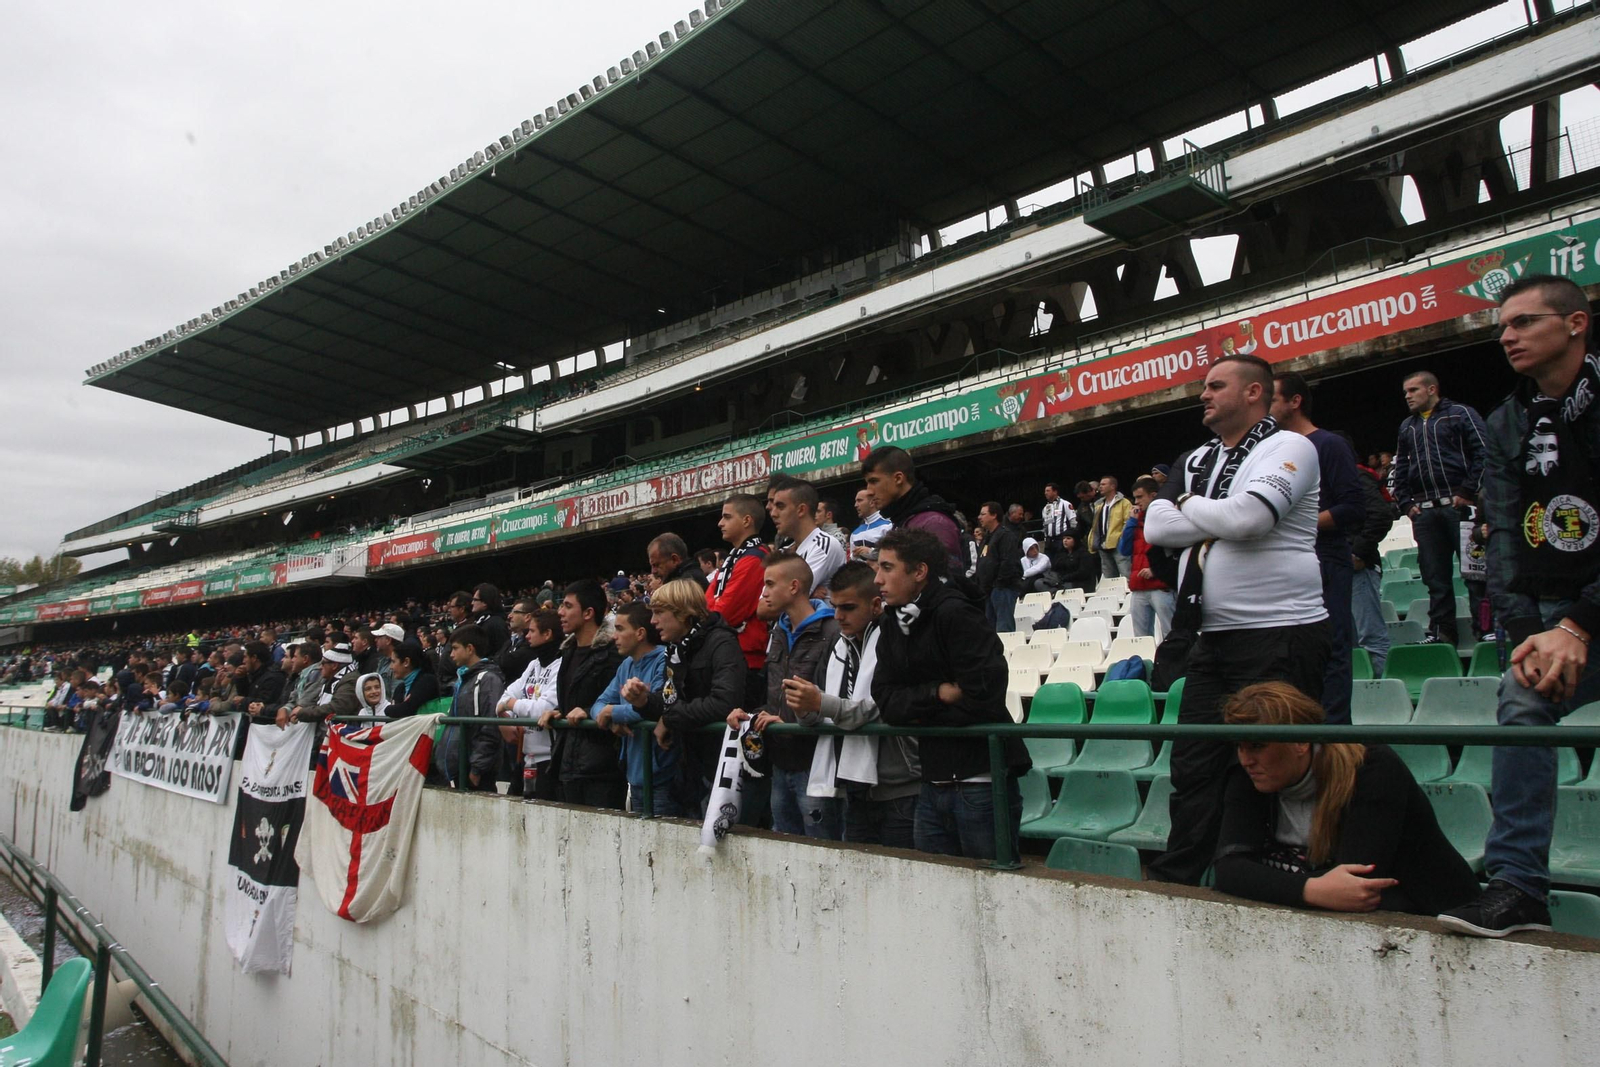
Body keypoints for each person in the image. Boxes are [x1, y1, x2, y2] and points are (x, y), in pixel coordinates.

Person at [1439, 275, 1600, 938]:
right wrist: (1533, 631)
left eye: (1526, 321)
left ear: (1576, 324)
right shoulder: (1507, 419)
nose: (1508, 336)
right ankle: (1517, 886)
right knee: (1521, 692)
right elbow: (1503, 536)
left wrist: (1577, 623)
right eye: (1503, 326)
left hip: (1584, 614)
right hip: (1554, 619)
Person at [1143, 354, 1330, 885]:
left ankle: (1272, 871)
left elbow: (1250, 518)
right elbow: (1157, 528)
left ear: (1253, 393)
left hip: (1282, 632)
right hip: (1213, 639)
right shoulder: (1198, 457)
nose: (1203, 394)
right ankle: (1180, 875)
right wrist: (1204, 509)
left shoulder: (1290, 447)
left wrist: (1184, 500)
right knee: (1194, 763)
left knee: (1276, 765)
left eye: (1215, 385)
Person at [1214, 682, 1479, 915]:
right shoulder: (1250, 776)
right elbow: (1228, 869)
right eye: (1240, 746)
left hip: (1432, 923)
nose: (1246, 759)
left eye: (1258, 746)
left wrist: (1266, 882)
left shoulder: (1371, 768)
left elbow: (1356, 885)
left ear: (1300, 742)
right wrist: (1311, 889)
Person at [871, 528, 1030, 861]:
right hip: (931, 782)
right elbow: (885, 700)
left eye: (887, 568)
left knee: (991, 891)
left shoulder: (956, 614)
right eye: (877, 568)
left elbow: (983, 697)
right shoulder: (891, 623)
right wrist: (937, 694)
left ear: (919, 572)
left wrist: (914, 707)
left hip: (980, 784)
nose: (877, 579)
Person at [783, 561, 921, 848]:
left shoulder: (894, 639)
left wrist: (819, 702)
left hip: (898, 788)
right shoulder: (838, 645)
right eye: (834, 606)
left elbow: (871, 709)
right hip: (854, 789)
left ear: (875, 605)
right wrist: (803, 707)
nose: (838, 616)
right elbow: (820, 715)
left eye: (848, 607)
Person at [1272, 372, 1366, 724]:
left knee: (1333, 649)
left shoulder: (1328, 444)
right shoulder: (1272, 452)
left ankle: (1335, 738)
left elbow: (1353, 507)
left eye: (1273, 399)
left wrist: (1301, 527)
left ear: (1295, 402)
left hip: (1324, 559)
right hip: (1284, 564)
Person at [730, 552, 841, 839]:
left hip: (815, 764)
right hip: (780, 762)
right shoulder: (778, 631)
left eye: (769, 584)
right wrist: (751, 715)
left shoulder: (833, 631)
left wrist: (790, 719)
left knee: (822, 849)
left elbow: (835, 699)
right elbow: (774, 695)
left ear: (793, 587)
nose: (763, 592)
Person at [1388, 370, 1489, 645]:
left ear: (1432, 389)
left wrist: (1468, 492)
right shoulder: (1407, 426)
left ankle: (1487, 629)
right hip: (1424, 512)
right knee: (1435, 578)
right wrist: (1406, 503)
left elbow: (1484, 452)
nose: (1407, 396)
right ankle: (1442, 633)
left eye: (1413, 390)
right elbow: (1401, 469)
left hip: (1460, 507)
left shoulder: (1460, 414)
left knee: (1476, 573)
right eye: (1405, 392)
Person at [634, 578, 748, 816]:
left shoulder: (721, 642)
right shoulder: (676, 649)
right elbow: (670, 701)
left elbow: (724, 703)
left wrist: (670, 718)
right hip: (690, 768)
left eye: (658, 613)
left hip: (721, 769)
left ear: (682, 613)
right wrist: (644, 701)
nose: (653, 621)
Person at [542, 579, 626, 809]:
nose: (560, 612)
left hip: (601, 769)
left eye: (568, 606)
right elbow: (573, 700)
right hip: (567, 763)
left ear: (589, 612)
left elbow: (618, 702)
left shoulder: (612, 654)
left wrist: (588, 712)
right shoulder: (568, 652)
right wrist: (558, 712)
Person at [592, 601, 676, 816]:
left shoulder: (664, 659)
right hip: (635, 774)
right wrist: (610, 717)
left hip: (663, 776)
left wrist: (614, 712)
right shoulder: (626, 665)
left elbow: (657, 706)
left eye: (620, 629)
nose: (614, 636)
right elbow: (598, 705)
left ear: (640, 633)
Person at [862, 446, 968, 576]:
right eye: (867, 483)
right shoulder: (903, 520)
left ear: (898, 478)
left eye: (874, 481)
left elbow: (947, 586)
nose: (869, 491)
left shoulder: (934, 524)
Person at [707, 493, 771, 709]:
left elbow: (724, 613)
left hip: (747, 660)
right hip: (730, 654)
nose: (720, 523)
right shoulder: (736, 556)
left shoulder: (755, 557)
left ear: (746, 520)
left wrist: (710, 612)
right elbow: (704, 604)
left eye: (727, 517)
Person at [497, 608, 563, 800]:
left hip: (549, 760)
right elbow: (504, 697)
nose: (527, 636)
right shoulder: (533, 665)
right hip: (526, 758)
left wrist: (511, 704)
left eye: (532, 631)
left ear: (547, 633)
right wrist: (504, 718)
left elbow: (544, 709)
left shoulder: (561, 665)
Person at [432, 625, 505, 791]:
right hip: (462, 765)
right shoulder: (464, 679)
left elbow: (490, 727)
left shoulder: (487, 680)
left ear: (470, 649)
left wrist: (477, 767)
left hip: (476, 769)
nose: (451, 654)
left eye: (455, 648)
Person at [1349, 444, 1396, 676]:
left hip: (1360, 568)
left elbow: (1381, 515)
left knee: (1371, 638)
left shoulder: (1356, 475)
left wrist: (1357, 551)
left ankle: (1383, 695)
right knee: (1350, 641)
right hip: (1337, 569)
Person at [770, 479, 847, 597]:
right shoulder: (783, 552)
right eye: (773, 506)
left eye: (780, 506)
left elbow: (793, 597)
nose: (773, 513)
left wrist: (800, 595)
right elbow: (762, 606)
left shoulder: (824, 545)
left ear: (801, 510)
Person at [1124, 476, 1174, 638]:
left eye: (1140, 497)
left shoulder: (1168, 517)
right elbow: (1124, 549)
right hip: (1139, 587)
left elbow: (1175, 553)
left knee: (1171, 634)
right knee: (1141, 638)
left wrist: (1156, 570)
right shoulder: (1135, 521)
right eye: (1135, 498)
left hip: (1161, 586)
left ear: (1153, 495)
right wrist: (1131, 522)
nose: (1136, 502)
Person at [974, 502, 1024, 632]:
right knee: (990, 630)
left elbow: (1008, 562)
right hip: (988, 590)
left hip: (1003, 589)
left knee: (1004, 627)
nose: (979, 517)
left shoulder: (1005, 535)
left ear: (994, 515)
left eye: (983, 514)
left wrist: (998, 584)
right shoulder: (987, 538)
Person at [1088, 475, 1132, 578]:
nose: (1100, 487)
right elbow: (1095, 526)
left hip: (1118, 544)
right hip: (1103, 543)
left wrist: (1121, 538)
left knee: (1126, 574)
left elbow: (1128, 522)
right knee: (1109, 577)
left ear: (1112, 486)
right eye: (1100, 485)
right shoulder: (1099, 505)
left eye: (1103, 484)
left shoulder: (1124, 503)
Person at [386, 641, 440, 718]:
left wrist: (388, 709)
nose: (391, 667)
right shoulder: (400, 688)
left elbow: (407, 710)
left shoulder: (427, 681)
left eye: (393, 662)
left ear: (406, 662)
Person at [849, 487, 892, 561]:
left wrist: (871, 552)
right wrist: (854, 555)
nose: (855, 505)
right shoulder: (855, 533)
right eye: (856, 501)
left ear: (872, 502)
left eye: (860, 500)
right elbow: (852, 559)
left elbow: (894, 555)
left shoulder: (888, 526)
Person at [471, 584, 512, 657]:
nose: (472, 603)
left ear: (485, 603)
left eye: (475, 600)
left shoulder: (496, 623)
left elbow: (503, 652)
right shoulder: (482, 621)